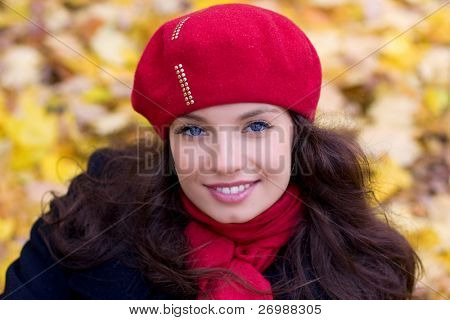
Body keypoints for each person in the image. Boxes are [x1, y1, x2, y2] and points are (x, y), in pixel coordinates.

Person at [0, 3, 422, 300]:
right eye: (194, 133)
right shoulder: (93, 217)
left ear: (297, 132)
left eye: (256, 127)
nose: (224, 162)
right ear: (167, 142)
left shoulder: (366, 266)